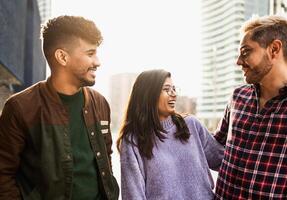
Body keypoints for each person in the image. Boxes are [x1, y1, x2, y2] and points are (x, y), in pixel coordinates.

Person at [0, 15, 119, 200]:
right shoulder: (19, 108)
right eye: (90, 53)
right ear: (62, 57)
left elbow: (106, 156)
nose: (97, 61)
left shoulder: (100, 103)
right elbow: (3, 174)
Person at [214, 15, 287, 199]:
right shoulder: (238, 97)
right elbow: (214, 148)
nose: (238, 61)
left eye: (245, 52)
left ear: (274, 49)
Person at [117, 69, 224, 200]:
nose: (173, 94)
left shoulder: (192, 125)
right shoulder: (132, 141)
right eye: (166, 89)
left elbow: (225, 162)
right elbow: (133, 195)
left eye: (174, 89)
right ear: (149, 94)